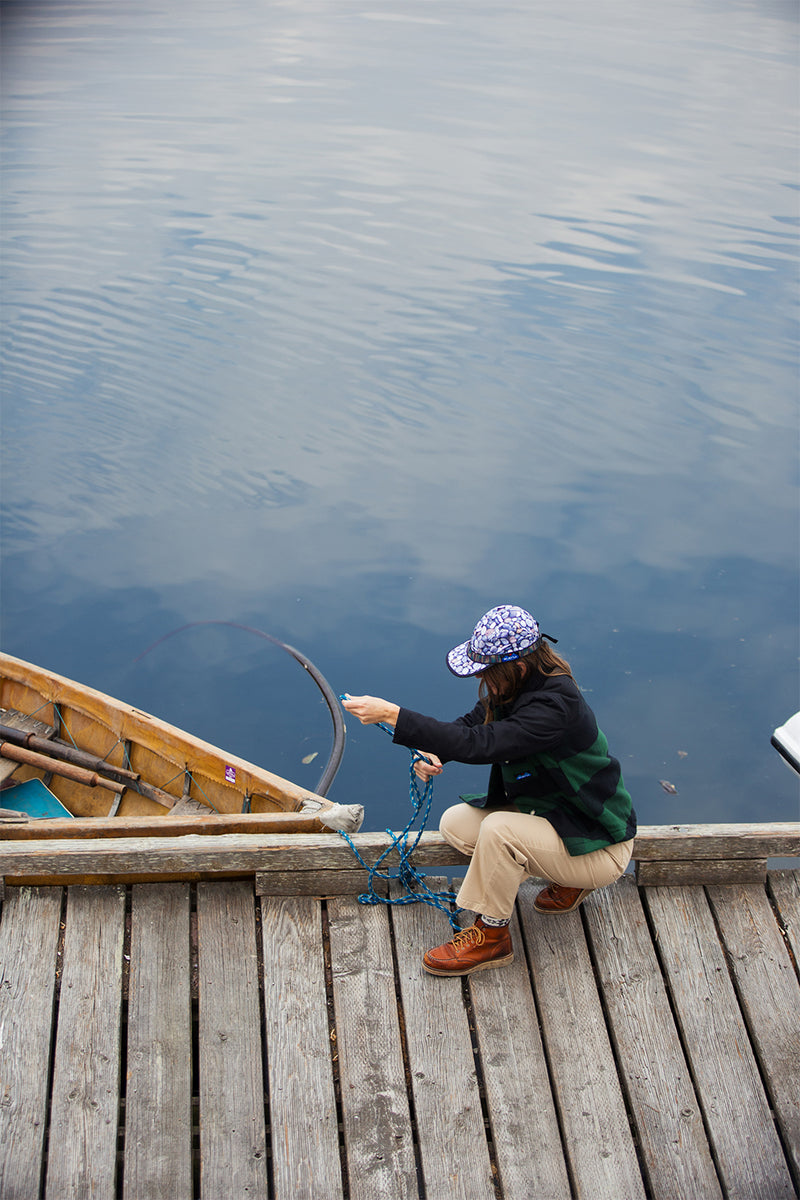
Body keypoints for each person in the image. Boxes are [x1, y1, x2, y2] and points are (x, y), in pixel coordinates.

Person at [341, 604, 636, 977]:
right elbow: (473, 724)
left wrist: (393, 715)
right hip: (559, 818)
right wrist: (434, 750)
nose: (481, 678)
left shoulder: (553, 706)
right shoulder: (522, 685)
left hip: (600, 845)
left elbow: (482, 743)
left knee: (499, 832)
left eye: (486, 671)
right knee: (456, 824)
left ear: (518, 667)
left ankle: (492, 936)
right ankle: (562, 874)